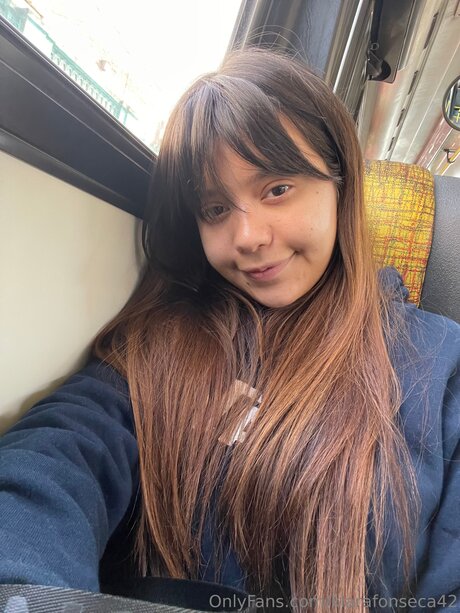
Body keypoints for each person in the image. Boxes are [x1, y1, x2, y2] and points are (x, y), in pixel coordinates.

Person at [0, 48, 459, 612]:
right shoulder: (168, 339)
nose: (247, 237)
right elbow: (55, 460)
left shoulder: (440, 363)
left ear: (340, 183)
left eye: (277, 189)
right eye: (216, 209)